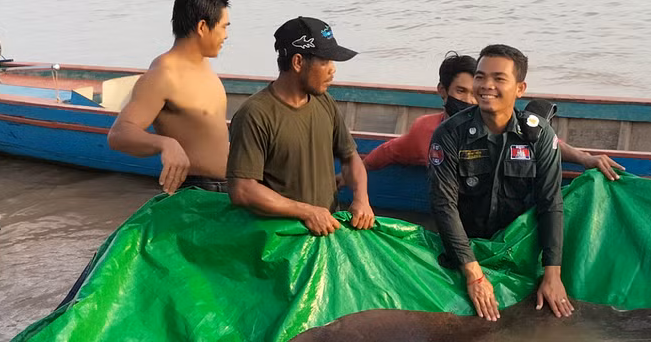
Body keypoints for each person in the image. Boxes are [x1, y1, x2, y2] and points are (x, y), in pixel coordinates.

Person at [428, 43, 571, 322]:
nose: (485, 85)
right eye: (480, 76)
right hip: (464, 249)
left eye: (498, 78)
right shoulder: (449, 134)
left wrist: (552, 273)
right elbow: (444, 205)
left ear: (520, 88)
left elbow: (550, 203)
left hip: (515, 250)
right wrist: (473, 274)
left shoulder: (539, 135)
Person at [365, 52, 626, 181]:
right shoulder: (428, 131)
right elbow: (389, 151)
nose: (469, 100)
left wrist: (586, 158)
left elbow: (544, 141)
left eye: (473, 91)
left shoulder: (495, 119)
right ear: (443, 92)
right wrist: (355, 170)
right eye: (460, 92)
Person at [227, 17, 374, 236]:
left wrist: (361, 198)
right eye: (325, 61)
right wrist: (306, 211)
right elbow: (243, 190)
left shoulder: (325, 102)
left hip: (327, 231)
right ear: (298, 62)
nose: (332, 70)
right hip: (282, 241)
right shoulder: (255, 114)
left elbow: (350, 157)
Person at [107, 0, 231, 193]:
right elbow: (119, 134)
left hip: (228, 189)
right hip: (196, 192)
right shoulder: (164, 74)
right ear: (202, 27)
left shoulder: (205, 66)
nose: (226, 35)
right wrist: (165, 144)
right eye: (223, 27)